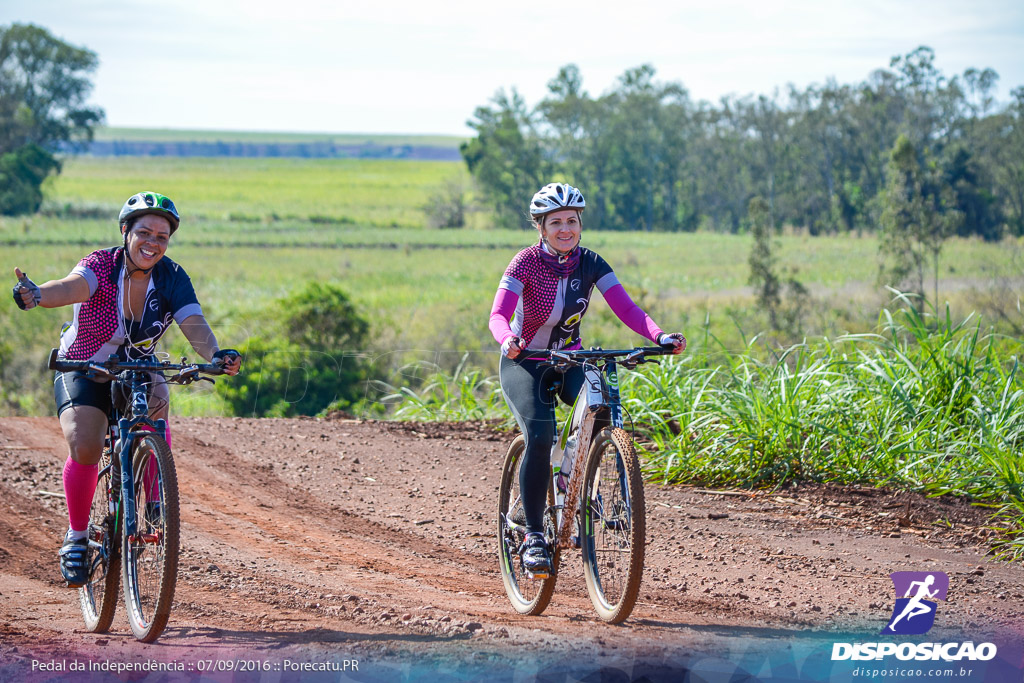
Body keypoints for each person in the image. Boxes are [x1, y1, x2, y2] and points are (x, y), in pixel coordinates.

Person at [12, 191, 242, 588]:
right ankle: (77, 537)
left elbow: (194, 323)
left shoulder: (172, 276)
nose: (153, 242)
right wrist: (37, 296)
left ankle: (155, 500)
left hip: (137, 365)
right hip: (83, 364)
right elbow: (69, 287)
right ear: (125, 232)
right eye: (144, 232)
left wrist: (217, 354)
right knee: (85, 443)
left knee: (157, 402)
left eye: (162, 236)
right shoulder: (101, 264)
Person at [488, 182, 685, 576]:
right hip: (525, 361)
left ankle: (573, 483)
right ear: (540, 228)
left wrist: (659, 336)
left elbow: (627, 308)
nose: (566, 229)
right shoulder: (523, 263)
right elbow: (498, 315)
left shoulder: (592, 263)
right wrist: (509, 338)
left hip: (570, 359)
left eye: (572, 221)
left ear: (580, 224)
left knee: (599, 408)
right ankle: (532, 537)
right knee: (541, 437)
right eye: (556, 222)